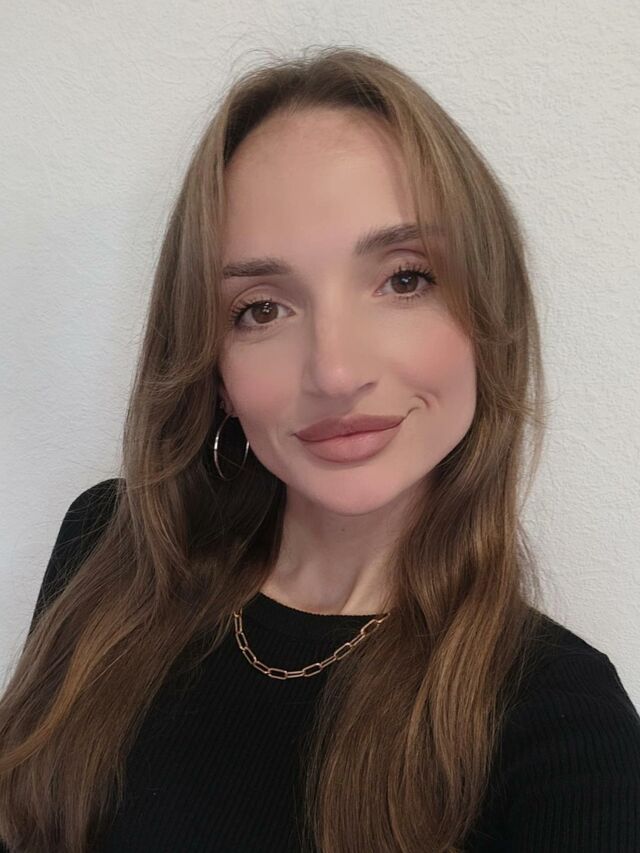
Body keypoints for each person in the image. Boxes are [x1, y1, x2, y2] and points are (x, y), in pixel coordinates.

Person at [1, 45, 639, 853]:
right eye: (261, 309)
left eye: (405, 278)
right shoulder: (110, 549)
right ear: (213, 367)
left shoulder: (564, 727)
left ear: (491, 312)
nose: (335, 372)